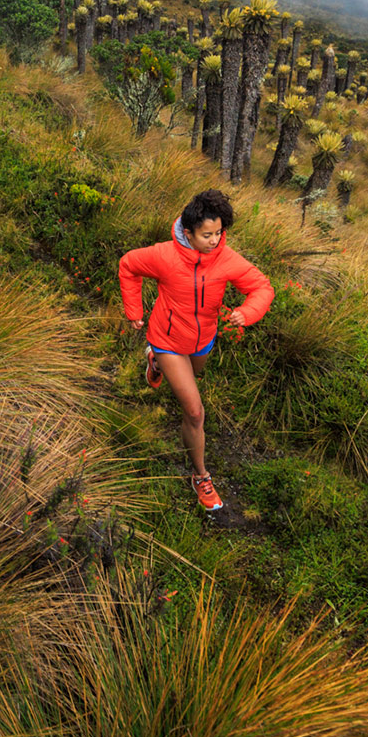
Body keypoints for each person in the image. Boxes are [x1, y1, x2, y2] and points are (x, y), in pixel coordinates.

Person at [118, 188, 273, 512]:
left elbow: (261, 287)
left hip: (203, 340)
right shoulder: (164, 256)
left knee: (195, 376)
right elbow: (129, 265)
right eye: (207, 235)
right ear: (187, 233)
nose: (215, 240)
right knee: (194, 411)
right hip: (169, 339)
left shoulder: (226, 259)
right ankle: (200, 476)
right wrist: (134, 311)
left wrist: (248, 312)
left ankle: (154, 363)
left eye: (219, 233)